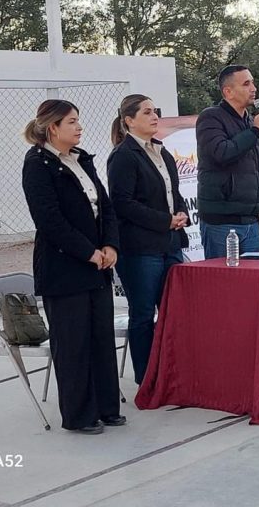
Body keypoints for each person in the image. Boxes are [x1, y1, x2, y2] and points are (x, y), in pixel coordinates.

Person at [21, 99, 124, 434]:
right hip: (65, 267)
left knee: (100, 337)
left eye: (78, 121)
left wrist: (109, 245)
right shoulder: (38, 163)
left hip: (98, 264)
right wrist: (88, 252)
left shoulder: (82, 160)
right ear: (53, 127)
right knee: (74, 343)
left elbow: (105, 207)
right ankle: (79, 415)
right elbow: (49, 219)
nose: (79, 127)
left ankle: (107, 407)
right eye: (71, 122)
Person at [107, 94, 189, 385]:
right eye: (146, 112)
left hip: (170, 244)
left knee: (173, 312)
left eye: (155, 111)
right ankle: (147, 378)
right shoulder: (123, 156)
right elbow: (123, 203)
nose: (154, 116)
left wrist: (180, 213)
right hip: (141, 249)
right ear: (129, 121)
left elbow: (173, 193)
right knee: (143, 314)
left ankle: (172, 371)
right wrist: (164, 220)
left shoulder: (162, 152)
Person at [195, 65, 259, 258]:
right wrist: (255, 131)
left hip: (250, 222)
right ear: (228, 92)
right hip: (221, 223)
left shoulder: (250, 122)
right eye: (246, 84)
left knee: (250, 283)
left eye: (253, 83)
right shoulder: (210, 117)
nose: (253, 88)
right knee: (222, 284)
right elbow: (222, 153)